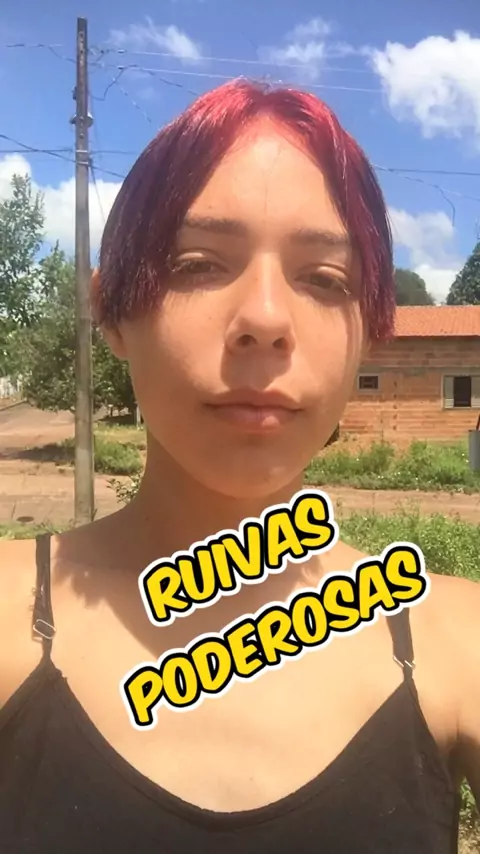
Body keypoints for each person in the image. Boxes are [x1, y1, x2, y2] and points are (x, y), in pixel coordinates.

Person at [0, 79, 478, 853]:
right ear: (111, 309)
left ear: (369, 331)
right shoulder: (10, 618)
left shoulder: (457, 642)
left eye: (325, 279)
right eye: (198, 264)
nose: (265, 318)